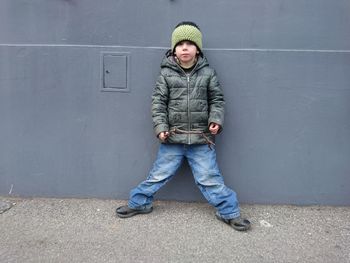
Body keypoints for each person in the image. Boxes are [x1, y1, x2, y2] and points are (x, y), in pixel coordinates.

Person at [116, 21, 250, 231]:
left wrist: (216, 120)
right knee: (158, 174)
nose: (185, 47)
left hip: (201, 139)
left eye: (190, 43)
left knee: (209, 178)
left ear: (198, 49)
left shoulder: (208, 73)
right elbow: (158, 102)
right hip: (173, 139)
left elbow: (217, 99)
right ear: (174, 50)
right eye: (180, 44)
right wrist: (160, 127)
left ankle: (229, 212)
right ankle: (139, 203)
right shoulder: (166, 74)